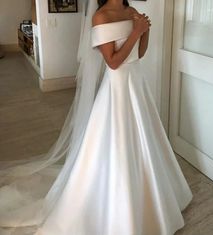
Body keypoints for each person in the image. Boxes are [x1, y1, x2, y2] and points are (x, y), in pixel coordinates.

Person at [0, 0, 193, 235]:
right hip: (118, 87)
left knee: (144, 138)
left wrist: (146, 32)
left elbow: (139, 54)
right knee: (117, 142)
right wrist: (137, 31)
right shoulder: (100, 17)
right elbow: (112, 62)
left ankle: (152, 195)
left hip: (137, 84)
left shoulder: (130, 11)